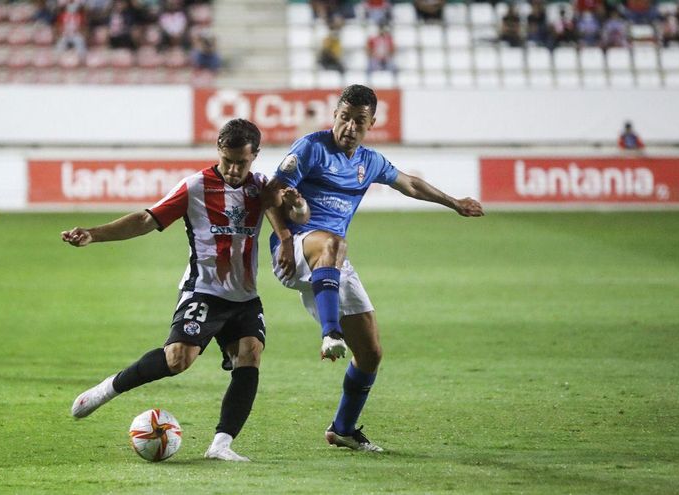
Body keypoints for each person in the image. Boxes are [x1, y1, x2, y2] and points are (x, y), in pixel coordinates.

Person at [63, 119, 309, 462]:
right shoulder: (195, 186)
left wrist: (295, 207)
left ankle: (221, 445)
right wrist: (95, 234)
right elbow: (147, 219)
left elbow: (299, 216)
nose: (235, 169)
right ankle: (107, 389)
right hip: (203, 291)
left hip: (244, 297)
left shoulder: (264, 188)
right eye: (228, 160)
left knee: (250, 354)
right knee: (178, 359)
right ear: (218, 152)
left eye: (242, 162)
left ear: (256, 155)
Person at [267, 85, 484, 452]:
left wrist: (454, 202)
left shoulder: (370, 162)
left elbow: (410, 184)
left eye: (359, 121)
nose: (349, 126)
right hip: (297, 249)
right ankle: (330, 332)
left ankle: (343, 429)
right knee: (335, 243)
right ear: (334, 114)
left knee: (370, 354)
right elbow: (270, 192)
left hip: (331, 263)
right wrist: (286, 239)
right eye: (344, 117)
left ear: (372, 123)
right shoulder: (311, 147)